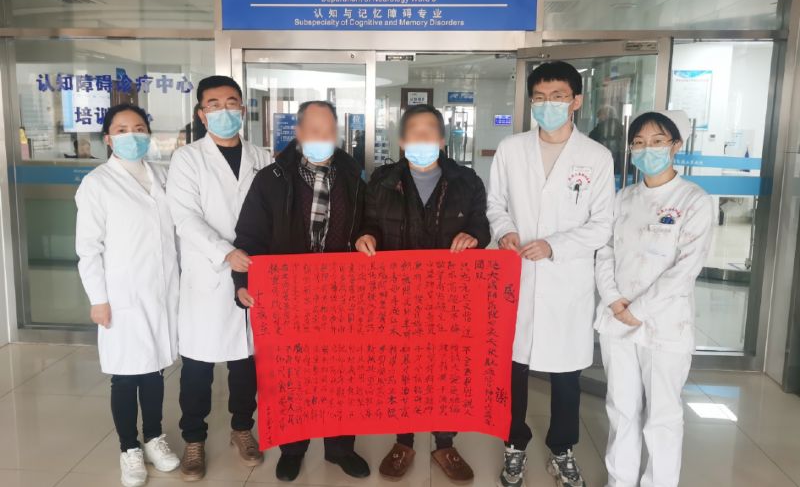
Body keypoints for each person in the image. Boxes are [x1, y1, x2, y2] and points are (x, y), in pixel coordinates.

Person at [487, 61, 615, 487]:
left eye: (557, 97)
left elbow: (602, 224)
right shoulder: (511, 149)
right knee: (515, 369)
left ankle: (562, 449)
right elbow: (495, 204)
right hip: (519, 276)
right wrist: (504, 230)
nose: (548, 105)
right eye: (539, 98)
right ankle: (514, 444)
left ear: (576, 101)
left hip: (566, 281)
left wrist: (555, 244)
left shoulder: (596, 157)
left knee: (566, 375)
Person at [233, 100, 370, 483]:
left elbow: (368, 223)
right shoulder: (272, 179)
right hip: (289, 296)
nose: (321, 138)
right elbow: (250, 235)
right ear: (298, 133)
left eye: (328, 131)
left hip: (341, 294)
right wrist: (243, 283)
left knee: (341, 376)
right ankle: (293, 448)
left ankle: (340, 449)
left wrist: (367, 235)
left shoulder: (353, 177)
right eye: (313, 130)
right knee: (293, 376)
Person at [354, 103, 491, 483]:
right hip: (398, 295)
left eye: (430, 131)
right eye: (414, 132)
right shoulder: (382, 181)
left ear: (443, 139)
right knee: (403, 369)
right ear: (401, 140)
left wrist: (474, 236)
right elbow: (368, 223)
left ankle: (445, 443)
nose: (422, 138)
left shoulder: (467, 181)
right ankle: (404, 441)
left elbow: (481, 225)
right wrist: (365, 237)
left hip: (450, 297)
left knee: (446, 369)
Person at [595, 111, 713, 487]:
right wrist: (615, 301)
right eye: (639, 142)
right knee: (621, 408)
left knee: (663, 415)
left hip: (665, 323)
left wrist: (640, 310)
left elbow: (686, 267)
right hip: (617, 318)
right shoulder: (623, 198)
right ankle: (620, 480)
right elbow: (605, 251)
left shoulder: (694, 200)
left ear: (676, 146)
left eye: (658, 141)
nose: (648, 149)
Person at [166, 75, 272, 481]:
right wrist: (224, 251)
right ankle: (194, 439)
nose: (223, 110)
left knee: (246, 361)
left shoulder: (262, 157)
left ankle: (242, 429)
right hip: (209, 275)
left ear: (243, 109)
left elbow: (275, 212)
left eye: (231, 102)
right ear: (201, 113)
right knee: (198, 365)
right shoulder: (187, 159)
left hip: (254, 273)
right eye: (214, 104)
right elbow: (185, 217)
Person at [75, 103, 181, 487]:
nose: (132, 135)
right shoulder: (97, 184)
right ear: (108, 138)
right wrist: (98, 298)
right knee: (124, 375)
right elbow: (89, 248)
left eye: (138, 128)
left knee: (153, 370)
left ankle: (153, 438)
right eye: (122, 130)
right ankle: (129, 449)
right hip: (122, 294)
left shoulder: (162, 176)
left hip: (162, 291)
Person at [588, 105, 625, 173]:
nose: (598, 119)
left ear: (605, 115)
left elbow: (590, 139)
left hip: (604, 161)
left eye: (599, 116)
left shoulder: (600, 127)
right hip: (621, 162)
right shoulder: (622, 127)